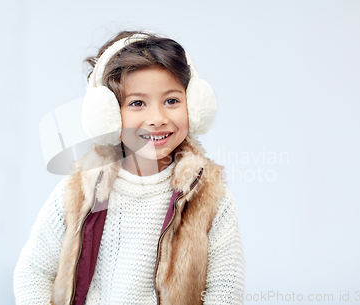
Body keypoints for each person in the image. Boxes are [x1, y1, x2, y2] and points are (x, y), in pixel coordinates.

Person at [13, 30, 245, 305]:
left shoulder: (211, 198)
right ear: (107, 116)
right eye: (137, 103)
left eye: (171, 101)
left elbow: (226, 291)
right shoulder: (79, 192)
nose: (157, 118)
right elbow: (33, 272)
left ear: (193, 105)